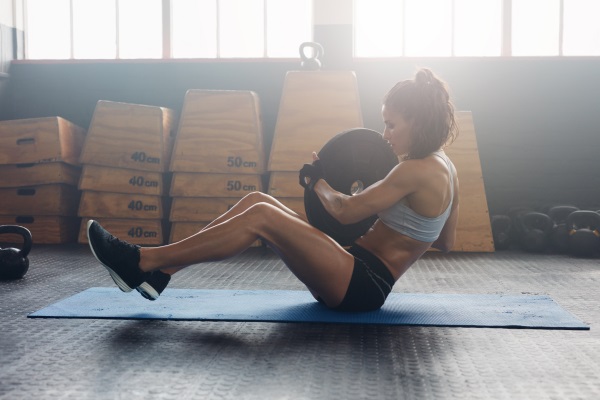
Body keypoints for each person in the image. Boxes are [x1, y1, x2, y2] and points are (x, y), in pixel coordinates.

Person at [87, 67, 459, 312]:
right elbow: (445, 242)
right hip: (353, 267)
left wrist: (319, 182)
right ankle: (161, 273)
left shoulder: (413, 170)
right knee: (257, 200)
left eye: (391, 125)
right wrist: (404, 235)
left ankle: (142, 262)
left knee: (262, 216)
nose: (385, 135)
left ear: (418, 121)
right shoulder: (447, 169)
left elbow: (346, 211)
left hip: (361, 284)